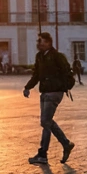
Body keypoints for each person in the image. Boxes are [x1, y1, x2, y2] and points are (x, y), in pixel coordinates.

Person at [23, 32, 74, 165]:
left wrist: (64, 86)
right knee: (46, 123)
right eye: (38, 41)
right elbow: (37, 74)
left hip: (54, 92)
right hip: (45, 91)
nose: (39, 44)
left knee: (45, 121)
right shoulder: (40, 57)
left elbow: (67, 72)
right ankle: (44, 154)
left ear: (49, 43)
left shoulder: (57, 56)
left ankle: (62, 144)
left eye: (42, 41)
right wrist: (28, 87)